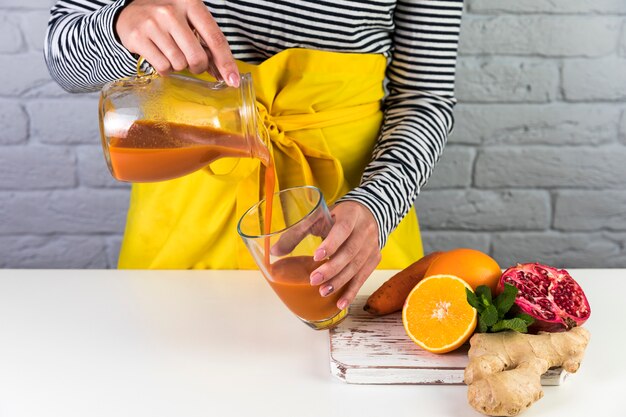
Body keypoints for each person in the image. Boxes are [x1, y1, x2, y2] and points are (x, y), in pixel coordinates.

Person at [45, 0, 463, 311]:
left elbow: (424, 97)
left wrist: (379, 205)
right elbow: (63, 59)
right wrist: (121, 24)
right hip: (183, 224)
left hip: (352, 232)